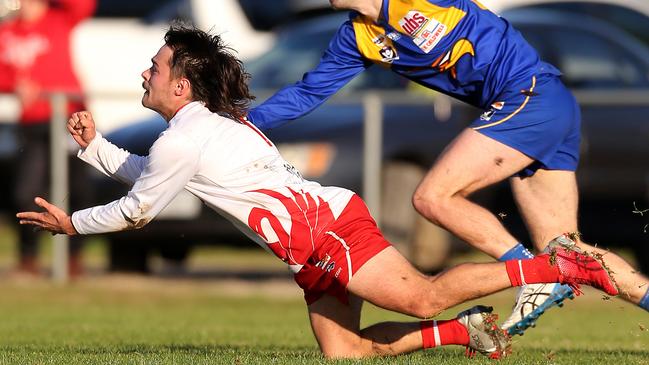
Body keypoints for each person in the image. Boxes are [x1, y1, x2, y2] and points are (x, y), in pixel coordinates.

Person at [16, 26, 619, 359]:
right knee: (348, 355)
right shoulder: (190, 132)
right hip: (313, 244)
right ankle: (469, 333)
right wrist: (94, 146)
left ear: (182, 83)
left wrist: (74, 225)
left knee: (423, 297)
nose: (144, 74)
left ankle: (556, 267)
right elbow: (151, 175)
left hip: (330, 233)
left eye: (154, 66)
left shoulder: (189, 134)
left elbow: (140, 209)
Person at [244, 0, 649, 334]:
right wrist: (241, 122)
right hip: (539, 107)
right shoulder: (356, 36)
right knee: (566, 250)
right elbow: (308, 92)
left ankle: (534, 274)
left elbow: (444, 26)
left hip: (530, 97)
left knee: (433, 197)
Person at [0, 0, 96, 276]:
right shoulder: (8, 31)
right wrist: (13, 84)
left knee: (79, 191)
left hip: (69, 118)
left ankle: (73, 258)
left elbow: (85, 5)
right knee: (26, 192)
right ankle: (28, 257)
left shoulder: (59, 18)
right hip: (33, 122)